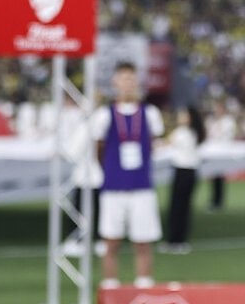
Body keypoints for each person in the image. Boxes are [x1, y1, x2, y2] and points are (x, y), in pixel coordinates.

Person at [92, 61, 165, 288]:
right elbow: (99, 148)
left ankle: (144, 284)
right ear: (115, 82)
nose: (127, 83)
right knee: (110, 241)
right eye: (123, 78)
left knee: (143, 241)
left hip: (141, 186)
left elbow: (152, 145)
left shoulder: (150, 113)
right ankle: (110, 286)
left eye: (131, 78)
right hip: (113, 187)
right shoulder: (104, 115)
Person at [58, 92, 103, 257]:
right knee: (90, 209)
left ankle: (82, 240)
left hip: (90, 174)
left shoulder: (89, 124)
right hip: (89, 174)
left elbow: (72, 151)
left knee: (84, 209)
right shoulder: (88, 123)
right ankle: (89, 240)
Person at [163, 106, 207, 254]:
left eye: (183, 115)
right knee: (185, 208)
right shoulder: (196, 133)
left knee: (177, 207)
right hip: (191, 173)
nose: (180, 117)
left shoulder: (181, 132)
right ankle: (180, 240)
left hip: (182, 172)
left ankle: (174, 240)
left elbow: (165, 143)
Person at [205, 100, 237, 212]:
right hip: (212, 152)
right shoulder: (211, 120)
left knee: (219, 176)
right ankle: (214, 200)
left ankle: (218, 201)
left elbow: (226, 135)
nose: (216, 111)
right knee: (214, 177)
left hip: (222, 152)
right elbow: (208, 134)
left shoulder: (228, 121)